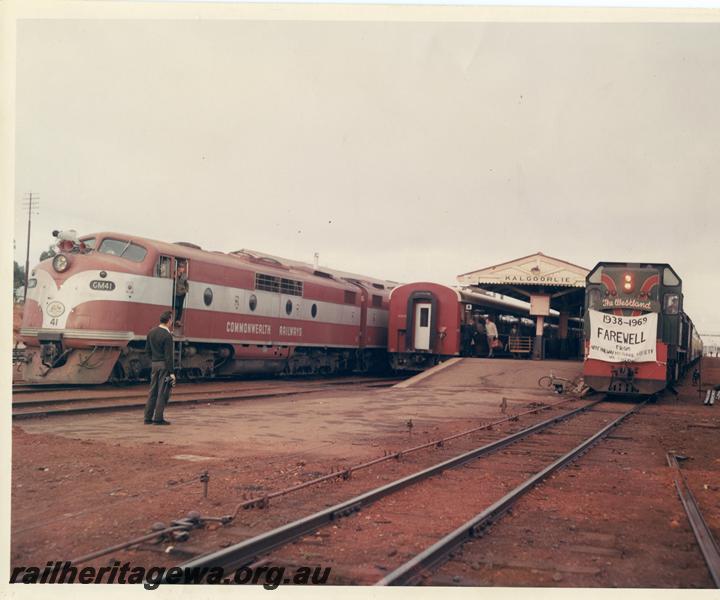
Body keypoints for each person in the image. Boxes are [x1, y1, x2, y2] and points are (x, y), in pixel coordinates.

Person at [144, 311, 175, 425]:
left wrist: (153, 361)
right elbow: (168, 356)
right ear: (169, 320)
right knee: (163, 392)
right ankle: (158, 418)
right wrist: (171, 373)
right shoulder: (167, 336)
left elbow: (147, 351)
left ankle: (147, 418)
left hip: (154, 365)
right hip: (164, 367)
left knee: (152, 391)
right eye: (171, 320)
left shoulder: (151, 332)